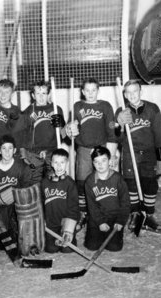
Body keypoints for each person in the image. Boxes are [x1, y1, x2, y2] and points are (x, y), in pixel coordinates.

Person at [65, 78, 118, 232]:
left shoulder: (105, 106)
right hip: (83, 149)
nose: (90, 93)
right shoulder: (77, 106)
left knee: (101, 182)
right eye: (87, 90)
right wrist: (70, 129)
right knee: (81, 182)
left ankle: (101, 212)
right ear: (82, 92)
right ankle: (83, 213)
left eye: (93, 90)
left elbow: (111, 132)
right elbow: (69, 131)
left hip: (100, 150)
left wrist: (112, 155)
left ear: (98, 90)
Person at [115, 79, 161, 234]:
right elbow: (115, 135)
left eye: (135, 91)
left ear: (140, 91)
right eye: (128, 92)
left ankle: (149, 216)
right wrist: (118, 125)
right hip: (130, 154)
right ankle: (136, 215)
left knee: (150, 184)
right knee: (131, 186)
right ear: (124, 94)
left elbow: (159, 135)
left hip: (149, 154)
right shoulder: (121, 111)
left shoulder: (152, 109)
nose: (132, 95)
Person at [0, 134, 32, 261]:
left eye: (10, 148)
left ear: (15, 150)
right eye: (3, 148)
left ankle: (18, 236)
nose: (7, 152)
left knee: (20, 228)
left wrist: (14, 195)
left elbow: (26, 190)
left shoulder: (22, 167)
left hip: (16, 206)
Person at [19, 80, 66, 183]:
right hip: (33, 153)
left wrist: (62, 125)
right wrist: (23, 155)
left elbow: (64, 136)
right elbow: (22, 135)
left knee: (53, 181)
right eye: (38, 93)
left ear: (49, 94)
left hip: (52, 152)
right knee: (34, 181)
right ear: (33, 95)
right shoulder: (28, 111)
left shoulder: (56, 109)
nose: (41, 97)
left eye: (44, 93)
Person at [84, 146, 130, 252]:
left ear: (109, 161)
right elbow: (92, 206)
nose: (100, 165)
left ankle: (115, 236)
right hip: (97, 218)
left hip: (114, 218)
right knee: (92, 247)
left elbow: (125, 203)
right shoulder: (89, 181)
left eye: (103, 160)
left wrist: (121, 221)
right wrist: (100, 222)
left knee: (114, 248)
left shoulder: (118, 179)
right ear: (93, 163)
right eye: (96, 162)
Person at [41, 148, 79, 253]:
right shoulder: (44, 182)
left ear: (67, 163)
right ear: (51, 163)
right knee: (51, 249)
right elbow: (41, 203)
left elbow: (74, 208)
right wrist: (42, 219)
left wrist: (69, 229)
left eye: (62, 162)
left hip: (65, 222)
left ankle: (69, 235)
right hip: (50, 223)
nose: (59, 166)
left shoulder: (70, 183)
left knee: (67, 250)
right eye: (56, 162)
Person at [0, 79, 24, 164]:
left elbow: (17, 136)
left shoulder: (16, 111)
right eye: (0, 91)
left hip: (7, 148)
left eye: (7, 92)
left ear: (12, 93)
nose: (3, 95)